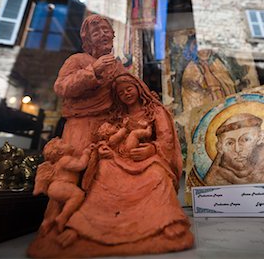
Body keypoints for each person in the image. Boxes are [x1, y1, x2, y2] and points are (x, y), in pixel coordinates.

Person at [28, 74, 194, 257]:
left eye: (129, 88)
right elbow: (110, 140)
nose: (126, 94)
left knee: (157, 175)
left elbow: (167, 139)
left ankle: (164, 222)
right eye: (121, 92)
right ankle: (84, 228)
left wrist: (152, 149)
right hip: (120, 158)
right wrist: (107, 151)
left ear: (139, 88)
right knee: (104, 169)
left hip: (149, 159)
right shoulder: (119, 115)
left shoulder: (154, 111)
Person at [53, 14, 127, 155]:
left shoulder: (118, 67)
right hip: (81, 124)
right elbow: (61, 87)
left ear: (113, 34)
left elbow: (132, 92)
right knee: (75, 165)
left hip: (110, 127)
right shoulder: (77, 60)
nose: (103, 35)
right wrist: (92, 70)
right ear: (88, 40)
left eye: (106, 30)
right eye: (96, 33)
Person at [204, 113, 264, 185]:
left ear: (260, 138)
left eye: (245, 139)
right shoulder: (216, 174)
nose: (237, 149)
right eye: (230, 143)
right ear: (220, 147)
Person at [33, 138, 94, 233]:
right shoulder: (65, 159)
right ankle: (63, 217)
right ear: (61, 152)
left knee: (55, 208)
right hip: (61, 185)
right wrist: (86, 153)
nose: (68, 143)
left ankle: (47, 224)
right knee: (78, 195)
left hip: (55, 188)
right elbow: (80, 165)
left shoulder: (60, 162)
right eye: (63, 143)